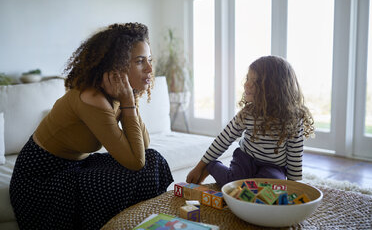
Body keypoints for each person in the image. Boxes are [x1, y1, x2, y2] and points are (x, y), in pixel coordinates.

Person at [9, 22, 174, 230]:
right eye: (140, 61)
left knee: (154, 160)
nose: (150, 68)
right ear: (118, 65)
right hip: (42, 179)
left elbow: (144, 147)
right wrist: (128, 101)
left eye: (149, 60)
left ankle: (142, 223)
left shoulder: (118, 94)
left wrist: (129, 98)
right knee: (137, 169)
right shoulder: (92, 97)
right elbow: (136, 162)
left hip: (75, 167)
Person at [187, 55, 315, 187]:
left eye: (256, 81)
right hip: (245, 159)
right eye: (248, 79)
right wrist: (199, 167)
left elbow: (295, 155)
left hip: (273, 166)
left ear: (274, 88)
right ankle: (212, 166)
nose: (246, 84)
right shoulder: (248, 113)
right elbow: (224, 139)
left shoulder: (293, 118)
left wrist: (294, 187)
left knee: (272, 189)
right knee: (233, 185)